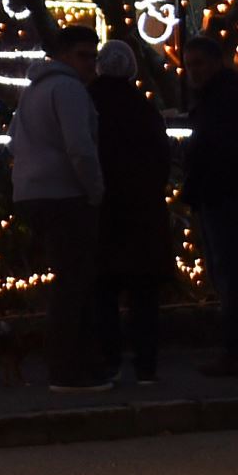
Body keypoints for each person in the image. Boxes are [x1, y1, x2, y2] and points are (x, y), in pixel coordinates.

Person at [11, 23, 107, 391]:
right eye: (84, 56)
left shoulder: (33, 90)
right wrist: (95, 189)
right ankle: (69, 368)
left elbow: (12, 140)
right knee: (75, 283)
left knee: (68, 281)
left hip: (34, 194)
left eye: (93, 57)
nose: (90, 65)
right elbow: (80, 147)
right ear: (64, 56)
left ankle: (67, 364)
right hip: (66, 195)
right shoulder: (68, 89)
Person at [180, 32, 238, 375]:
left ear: (217, 62)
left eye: (199, 64)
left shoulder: (223, 99)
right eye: (190, 65)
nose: (194, 71)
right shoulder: (226, 95)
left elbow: (217, 148)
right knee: (232, 274)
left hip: (224, 193)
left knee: (230, 274)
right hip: (228, 191)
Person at [88, 39, 171, 385]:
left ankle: (110, 359)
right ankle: (146, 365)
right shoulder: (143, 108)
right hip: (142, 212)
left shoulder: (90, 104)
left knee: (104, 289)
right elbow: (161, 158)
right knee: (143, 294)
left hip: (104, 209)